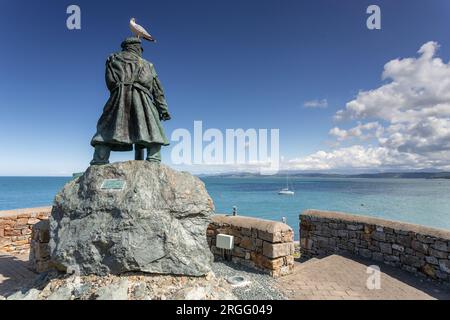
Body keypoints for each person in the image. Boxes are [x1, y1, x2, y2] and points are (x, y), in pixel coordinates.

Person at [90, 37, 171, 165]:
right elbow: (157, 90)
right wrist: (163, 109)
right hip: (142, 99)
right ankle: (154, 161)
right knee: (152, 129)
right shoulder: (147, 65)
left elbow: (109, 82)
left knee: (106, 129)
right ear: (137, 48)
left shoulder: (112, 60)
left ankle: (99, 161)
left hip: (117, 98)